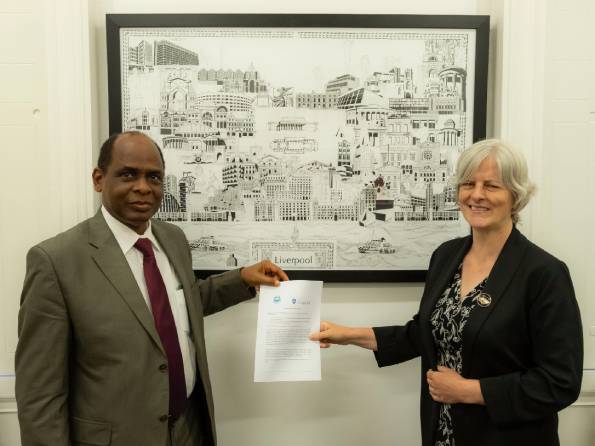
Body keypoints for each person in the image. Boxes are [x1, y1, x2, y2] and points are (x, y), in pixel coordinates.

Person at [15, 131, 288, 446]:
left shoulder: (172, 238)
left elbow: (178, 305)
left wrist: (241, 278)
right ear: (99, 179)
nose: (143, 187)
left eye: (154, 177)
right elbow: (39, 393)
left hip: (189, 429)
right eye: (128, 174)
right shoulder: (56, 261)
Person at [310, 139, 583, 446]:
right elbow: (424, 334)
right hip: (443, 434)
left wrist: (470, 391)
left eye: (491, 186)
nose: (477, 195)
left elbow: (560, 382)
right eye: (468, 183)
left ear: (515, 196)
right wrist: (345, 334)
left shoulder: (544, 273)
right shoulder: (446, 256)